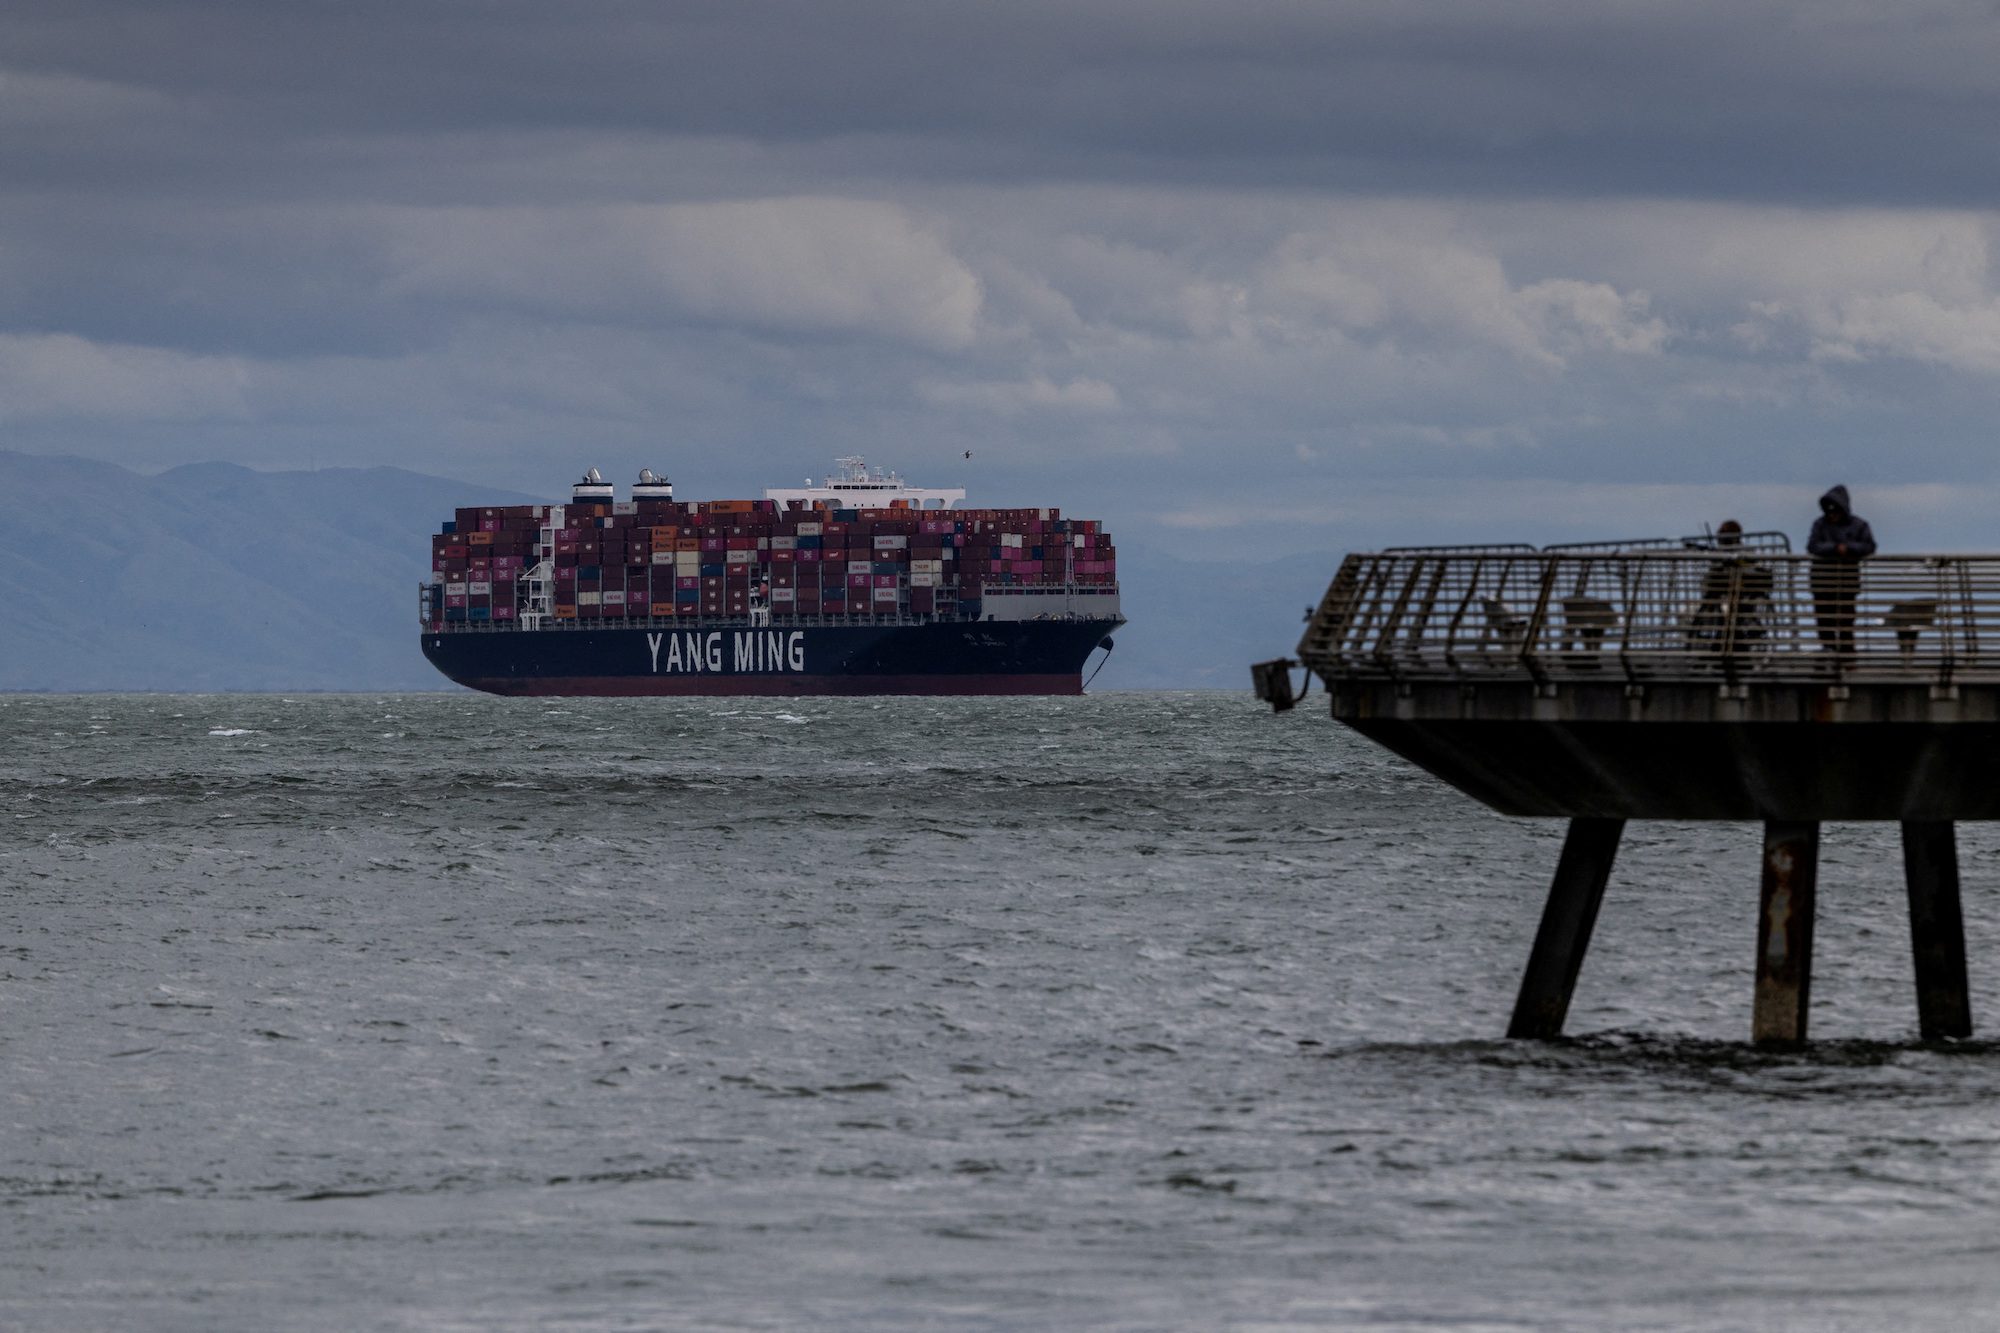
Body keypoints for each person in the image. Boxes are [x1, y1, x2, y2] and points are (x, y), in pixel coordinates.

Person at [1807, 485, 1876, 656]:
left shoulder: (1859, 525)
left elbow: (1869, 546)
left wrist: (1849, 548)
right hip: (1823, 583)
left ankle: (1847, 657)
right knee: (1824, 621)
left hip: (1845, 582)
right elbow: (1812, 546)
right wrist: (1836, 548)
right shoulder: (1819, 524)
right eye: (1829, 510)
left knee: (1846, 621)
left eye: (1835, 510)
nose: (1832, 514)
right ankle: (1829, 654)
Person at [1691, 519, 1774, 649]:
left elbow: (1750, 567)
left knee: (1736, 610)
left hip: (1742, 591)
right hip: (1730, 591)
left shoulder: (1743, 553)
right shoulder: (1732, 552)